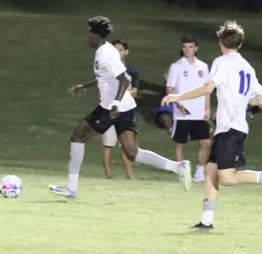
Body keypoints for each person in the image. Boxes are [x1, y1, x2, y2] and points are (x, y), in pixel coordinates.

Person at [160, 20, 262, 231]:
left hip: (231, 128)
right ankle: (206, 221)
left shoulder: (222, 62)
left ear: (220, 42)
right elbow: (260, 100)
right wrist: (241, 99)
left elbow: (208, 88)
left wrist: (177, 95)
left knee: (228, 178)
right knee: (210, 171)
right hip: (231, 126)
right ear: (240, 44)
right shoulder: (247, 67)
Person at [49, 16, 191, 200]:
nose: (86, 37)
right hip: (124, 106)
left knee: (77, 136)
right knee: (132, 152)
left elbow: (124, 79)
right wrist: (85, 85)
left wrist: (115, 103)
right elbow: (106, 76)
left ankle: (71, 188)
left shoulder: (105, 53)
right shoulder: (105, 50)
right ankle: (178, 167)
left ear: (95, 34)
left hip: (112, 107)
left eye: (88, 33)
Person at [166, 36, 211, 183]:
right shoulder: (176, 66)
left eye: (190, 46)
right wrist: (177, 103)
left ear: (196, 48)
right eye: (184, 47)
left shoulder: (203, 67)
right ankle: (182, 174)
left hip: (198, 112)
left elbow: (207, 89)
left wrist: (207, 109)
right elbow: (169, 88)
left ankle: (199, 174)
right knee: (180, 144)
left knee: (205, 143)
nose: (187, 50)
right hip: (182, 113)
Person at [98, 39, 137, 179]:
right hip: (109, 109)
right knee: (108, 143)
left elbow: (134, 91)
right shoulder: (108, 67)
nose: (117, 53)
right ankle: (108, 174)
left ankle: (129, 174)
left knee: (126, 146)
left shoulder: (131, 70)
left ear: (126, 52)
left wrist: (125, 93)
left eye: (120, 50)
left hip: (125, 110)